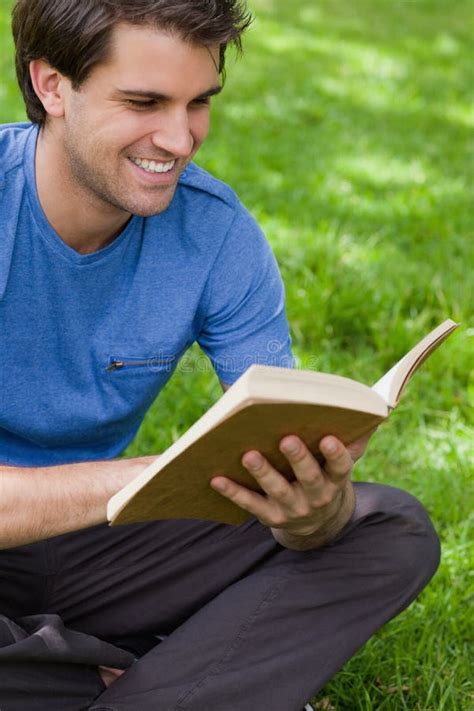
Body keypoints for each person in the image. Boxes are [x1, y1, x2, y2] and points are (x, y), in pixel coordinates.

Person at [0, 1, 440, 709]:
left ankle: (70, 674)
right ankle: (106, 674)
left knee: (387, 529)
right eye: (144, 101)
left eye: (198, 102)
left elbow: (292, 459)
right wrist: (155, 474)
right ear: (52, 85)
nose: (179, 139)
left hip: (98, 547)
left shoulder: (218, 235)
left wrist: (310, 514)